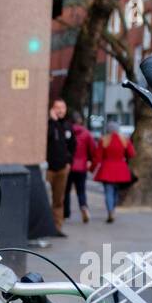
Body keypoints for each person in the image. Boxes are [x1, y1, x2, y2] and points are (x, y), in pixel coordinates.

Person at [93, 120, 135, 224]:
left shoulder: (104, 140)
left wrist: (91, 168)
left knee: (108, 192)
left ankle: (110, 211)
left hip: (106, 169)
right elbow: (131, 153)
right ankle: (113, 208)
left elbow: (97, 157)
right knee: (117, 192)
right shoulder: (124, 140)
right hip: (121, 169)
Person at [45, 98, 73, 236]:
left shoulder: (67, 126)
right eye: (57, 107)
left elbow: (72, 145)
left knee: (59, 199)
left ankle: (57, 227)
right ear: (52, 109)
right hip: (49, 167)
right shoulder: (49, 124)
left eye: (62, 107)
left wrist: (69, 161)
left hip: (62, 167)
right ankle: (46, 226)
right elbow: (48, 137)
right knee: (46, 197)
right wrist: (53, 121)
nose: (60, 110)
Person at [64, 110, 97, 224]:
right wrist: (90, 161)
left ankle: (66, 213)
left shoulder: (66, 131)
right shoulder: (86, 133)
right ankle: (83, 207)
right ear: (80, 120)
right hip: (81, 166)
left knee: (66, 190)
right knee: (81, 190)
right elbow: (93, 150)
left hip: (68, 166)